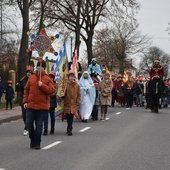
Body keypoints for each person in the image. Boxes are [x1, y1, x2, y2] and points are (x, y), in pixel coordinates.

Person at [23, 59, 55, 149]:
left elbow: (51, 91)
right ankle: (32, 139)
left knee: (39, 125)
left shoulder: (47, 78)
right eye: (38, 67)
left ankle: (37, 142)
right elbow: (26, 89)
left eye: (41, 67)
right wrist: (25, 101)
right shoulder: (31, 77)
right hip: (31, 105)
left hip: (42, 106)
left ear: (44, 68)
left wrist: (42, 86)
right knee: (29, 123)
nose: (39, 68)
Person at [16, 65, 33, 136]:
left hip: (31, 99)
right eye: (27, 72)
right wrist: (18, 86)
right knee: (24, 114)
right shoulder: (22, 79)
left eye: (30, 72)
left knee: (29, 114)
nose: (28, 73)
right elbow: (18, 90)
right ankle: (27, 126)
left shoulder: (34, 79)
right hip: (23, 99)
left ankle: (26, 128)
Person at [62, 71, 80, 136]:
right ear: (68, 78)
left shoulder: (77, 85)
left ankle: (69, 129)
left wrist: (78, 101)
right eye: (70, 77)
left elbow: (78, 94)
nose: (71, 78)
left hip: (73, 103)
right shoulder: (66, 84)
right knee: (68, 116)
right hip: (67, 102)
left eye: (72, 77)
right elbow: (62, 92)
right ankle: (69, 126)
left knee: (71, 117)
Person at [43, 71, 58, 135]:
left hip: (52, 102)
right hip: (46, 102)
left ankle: (52, 128)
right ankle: (45, 129)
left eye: (52, 77)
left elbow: (54, 93)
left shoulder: (55, 85)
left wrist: (48, 92)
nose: (51, 78)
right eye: (50, 77)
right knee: (45, 116)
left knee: (52, 116)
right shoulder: (46, 84)